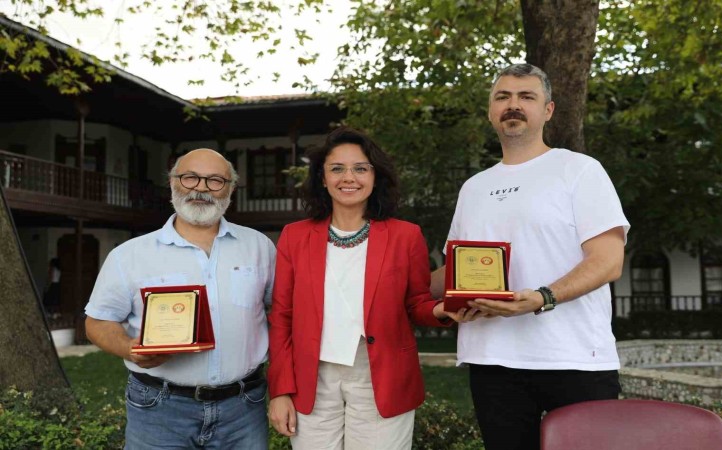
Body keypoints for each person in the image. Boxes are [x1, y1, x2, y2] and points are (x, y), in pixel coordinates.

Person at [430, 63, 630, 450]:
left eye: (526, 97)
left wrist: (542, 298)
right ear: (491, 111)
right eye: (503, 96)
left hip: (574, 358)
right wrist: (396, 281)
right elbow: (456, 270)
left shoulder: (580, 170)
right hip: (492, 359)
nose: (514, 105)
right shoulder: (474, 187)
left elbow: (608, 261)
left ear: (548, 110)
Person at [267, 127, 477, 449]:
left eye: (360, 168)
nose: (348, 177)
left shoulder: (406, 236)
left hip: (381, 372)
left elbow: (417, 303)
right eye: (337, 168)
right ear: (322, 178)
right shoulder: (294, 237)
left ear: (375, 176)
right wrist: (280, 390)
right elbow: (282, 316)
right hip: (312, 376)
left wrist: (442, 309)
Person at [84, 148, 275, 449]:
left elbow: (280, 312)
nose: (201, 188)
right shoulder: (129, 255)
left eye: (215, 180)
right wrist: (129, 349)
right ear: (173, 182)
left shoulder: (259, 247)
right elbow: (97, 322)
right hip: (159, 409)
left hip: (243, 408)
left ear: (230, 189)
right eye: (190, 178)